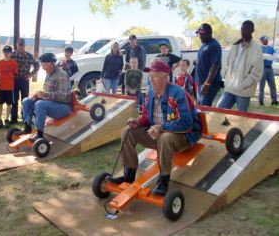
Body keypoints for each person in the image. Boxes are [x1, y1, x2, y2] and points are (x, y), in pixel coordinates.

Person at [107, 60, 202, 196]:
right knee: (127, 131)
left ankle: (163, 181)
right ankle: (128, 175)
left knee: (165, 137)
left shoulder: (178, 93)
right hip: (158, 135)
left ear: (165, 77)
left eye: (155, 76)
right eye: (150, 75)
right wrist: (138, 122)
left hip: (183, 137)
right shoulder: (150, 95)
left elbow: (186, 122)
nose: (150, 79)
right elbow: (147, 119)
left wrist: (161, 127)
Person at [22, 53, 72, 141]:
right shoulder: (49, 74)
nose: (42, 67)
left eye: (43, 64)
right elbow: (47, 93)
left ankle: (40, 135)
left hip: (63, 107)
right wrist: (38, 96)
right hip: (52, 104)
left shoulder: (61, 75)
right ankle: (27, 128)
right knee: (26, 101)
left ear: (51, 63)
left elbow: (62, 96)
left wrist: (44, 95)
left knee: (40, 104)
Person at [217, 20, 263, 112]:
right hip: (230, 87)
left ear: (252, 30)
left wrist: (243, 84)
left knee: (241, 117)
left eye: (246, 29)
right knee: (219, 110)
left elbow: (257, 73)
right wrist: (228, 79)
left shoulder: (256, 48)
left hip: (243, 91)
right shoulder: (236, 45)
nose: (243, 31)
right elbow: (229, 62)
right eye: (242, 28)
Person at [11, 38, 39, 123]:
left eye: (22, 45)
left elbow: (37, 66)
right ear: (17, 45)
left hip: (24, 80)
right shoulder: (12, 55)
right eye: (19, 45)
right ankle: (14, 118)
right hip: (14, 80)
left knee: (25, 100)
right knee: (14, 100)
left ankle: (25, 118)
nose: (21, 47)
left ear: (24, 46)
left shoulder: (30, 56)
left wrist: (30, 74)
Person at [195, 23, 222, 106]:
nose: (200, 36)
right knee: (200, 107)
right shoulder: (204, 44)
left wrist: (207, 84)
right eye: (199, 34)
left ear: (209, 33)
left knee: (204, 109)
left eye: (202, 34)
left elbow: (215, 65)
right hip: (200, 83)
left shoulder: (214, 45)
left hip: (209, 84)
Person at [0, 46, 18, 128]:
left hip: (9, 88)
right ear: (3, 52)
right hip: (1, 87)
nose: (6, 53)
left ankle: (7, 119)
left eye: (8, 52)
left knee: (9, 104)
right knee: (0, 103)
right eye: (5, 52)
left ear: (11, 53)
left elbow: (15, 75)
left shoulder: (14, 63)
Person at [258, 35, 278, 106]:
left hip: (270, 68)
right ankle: (261, 100)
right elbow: (260, 57)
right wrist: (269, 56)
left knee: (272, 85)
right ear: (261, 41)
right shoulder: (258, 48)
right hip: (262, 68)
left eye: (267, 39)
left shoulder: (271, 48)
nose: (266, 41)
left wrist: (265, 56)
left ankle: (274, 100)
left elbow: (275, 57)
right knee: (261, 85)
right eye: (264, 40)